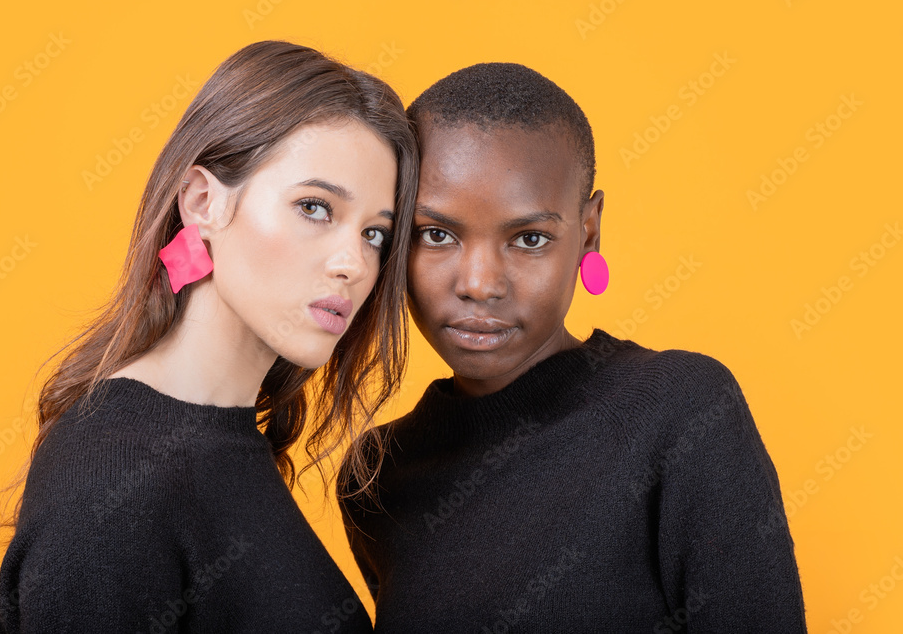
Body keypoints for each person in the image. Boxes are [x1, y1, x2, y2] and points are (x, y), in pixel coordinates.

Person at [337, 62, 807, 631]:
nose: (479, 284)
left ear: (588, 231)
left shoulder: (681, 412)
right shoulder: (377, 477)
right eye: (436, 234)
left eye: (529, 239)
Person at [0, 40, 419, 633]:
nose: (354, 264)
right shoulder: (113, 482)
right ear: (202, 202)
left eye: (375, 234)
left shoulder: (227, 442)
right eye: (315, 208)